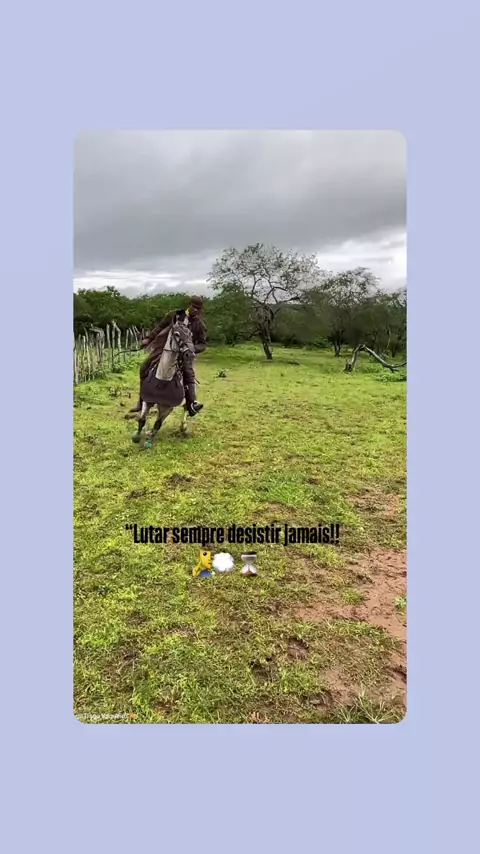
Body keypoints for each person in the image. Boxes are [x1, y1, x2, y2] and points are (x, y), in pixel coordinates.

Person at [128, 295, 207, 416]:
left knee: (189, 374)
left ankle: (192, 403)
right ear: (189, 304)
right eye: (193, 306)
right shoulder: (175, 315)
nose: (195, 309)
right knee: (144, 367)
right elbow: (160, 326)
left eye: (198, 308)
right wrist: (149, 338)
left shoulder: (199, 325)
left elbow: (202, 344)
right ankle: (141, 401)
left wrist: (191, 349)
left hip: (184, 355)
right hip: (166, 348)